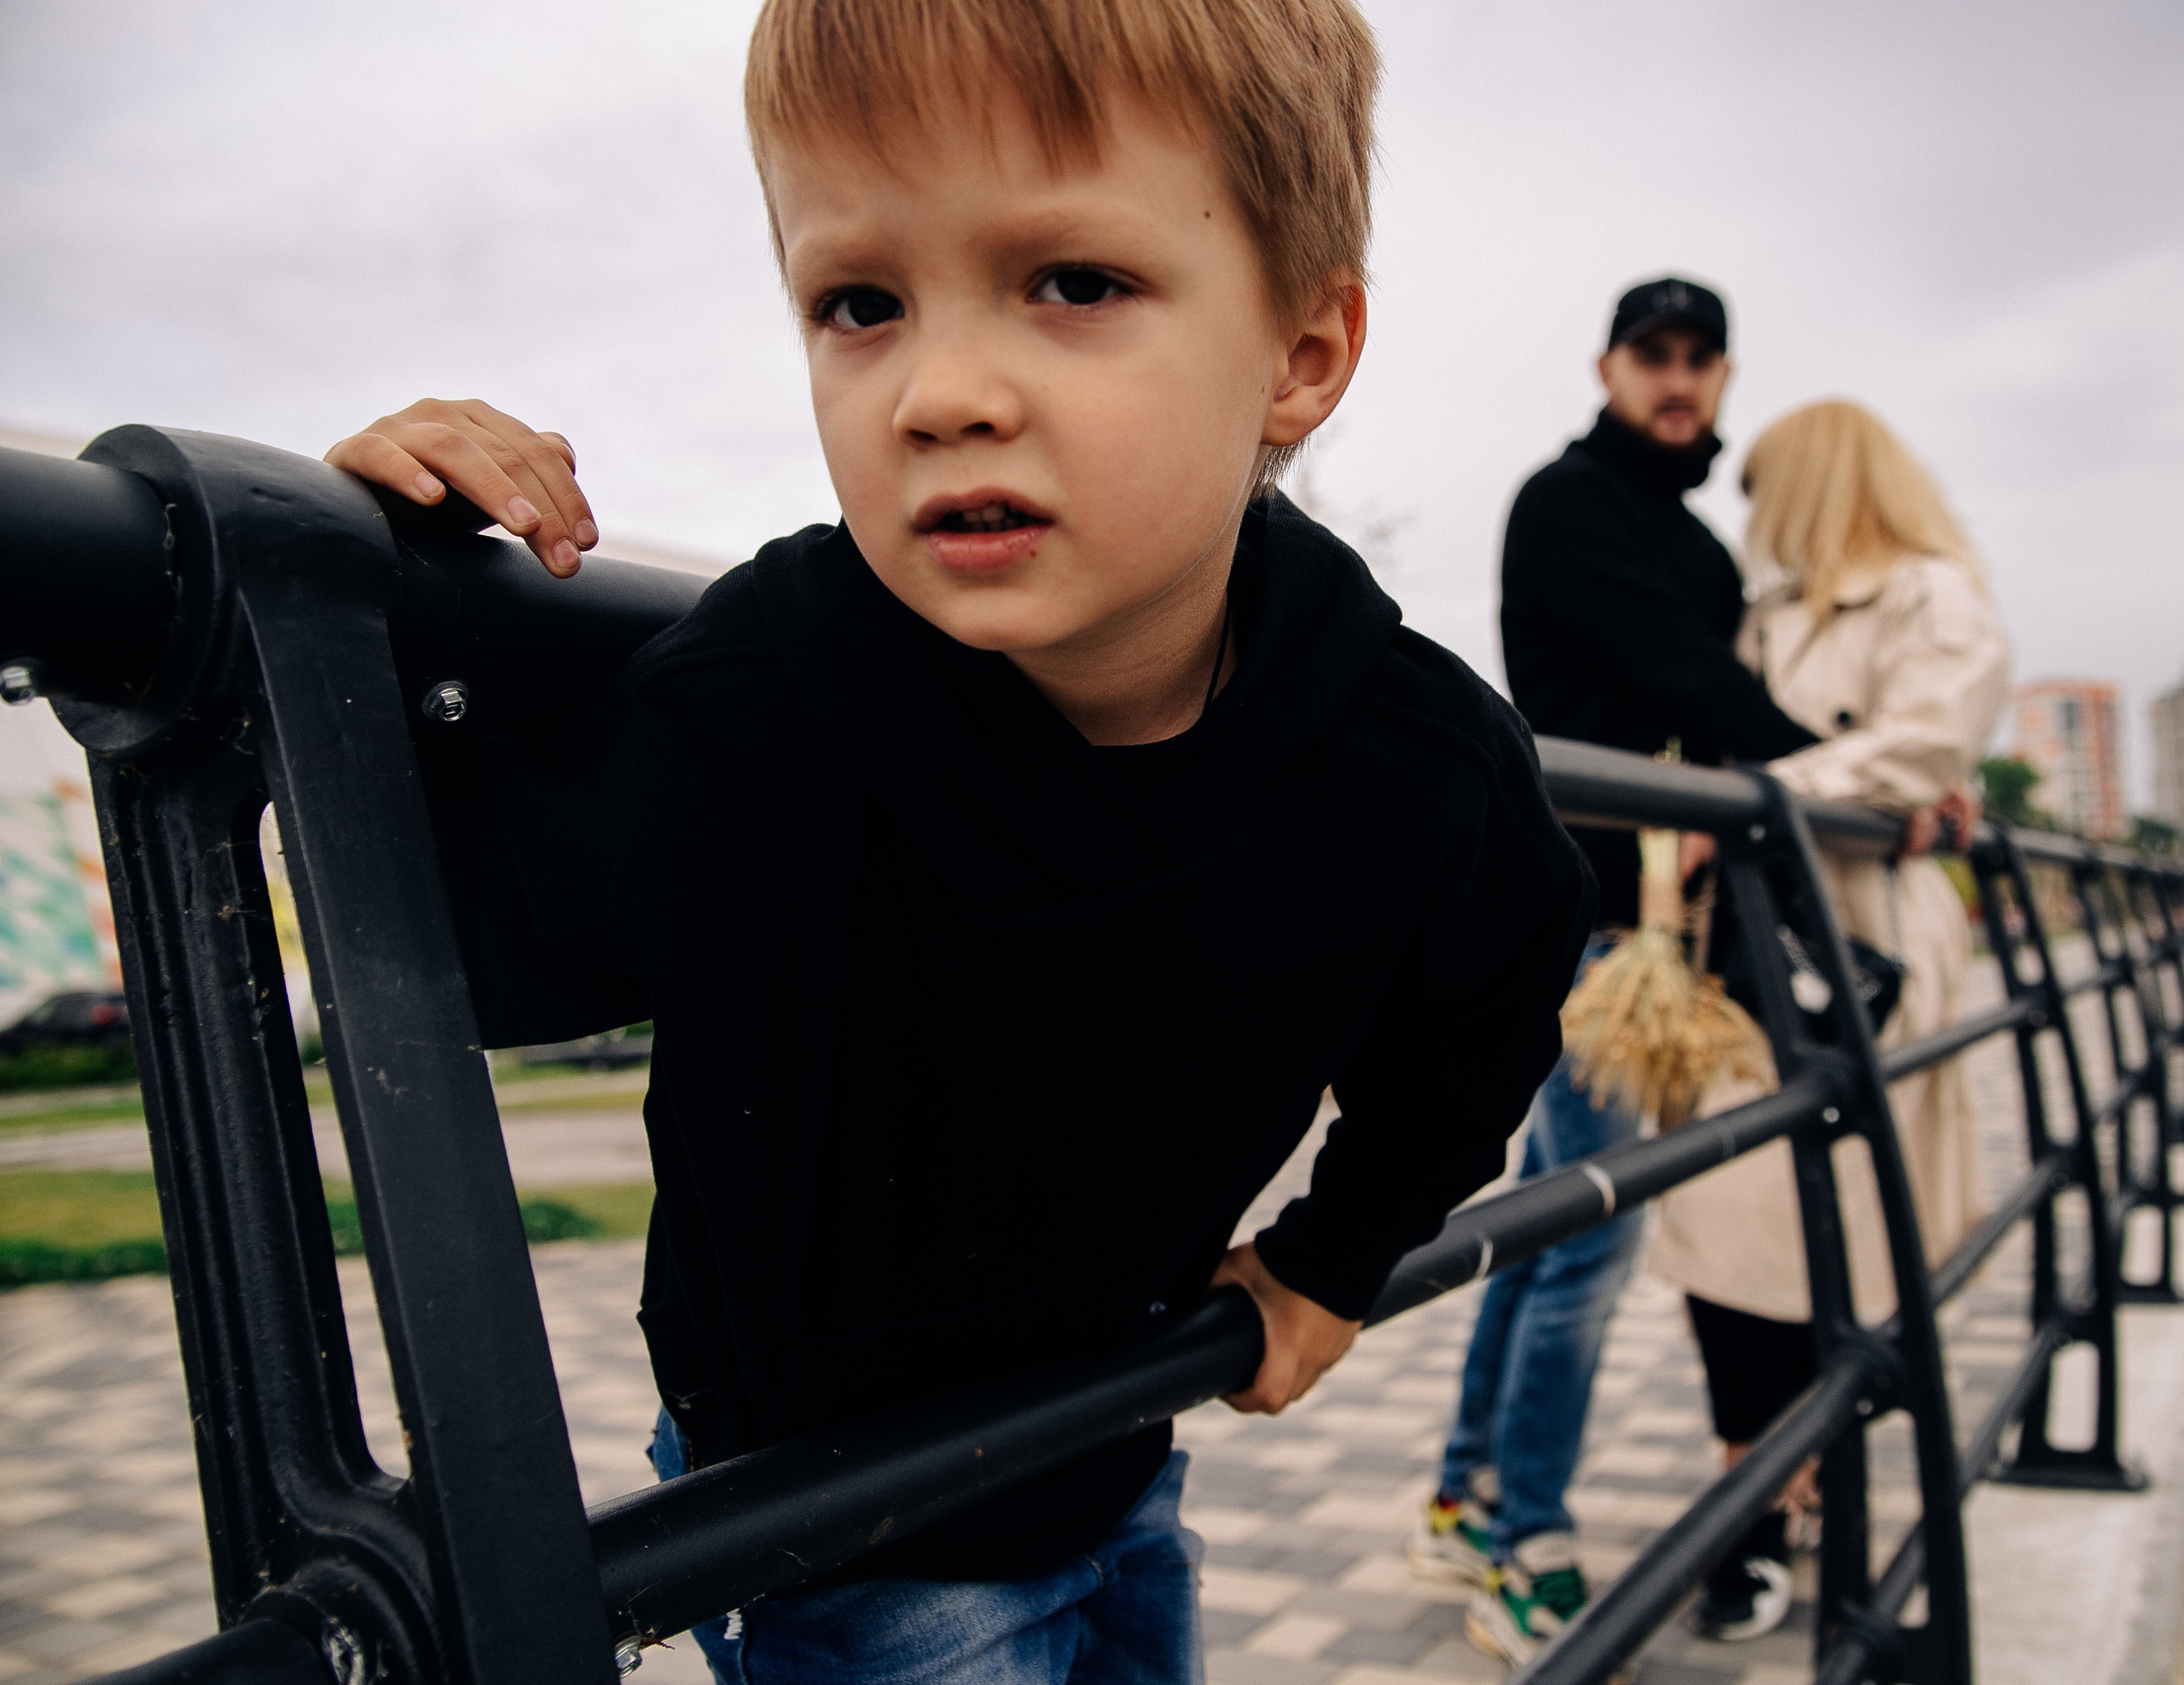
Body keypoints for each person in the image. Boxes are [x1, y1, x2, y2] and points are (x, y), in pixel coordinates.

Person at [325, 3, 1595, 1681]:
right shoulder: (762, 698)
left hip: (1114, 1438)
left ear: (1300, 351)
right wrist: (389, 613)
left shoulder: (1414, 760)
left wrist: (1329, 1260)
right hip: (831, 1511)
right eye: (861, 303)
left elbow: (1494, 990)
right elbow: (481, 949)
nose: (940, 392)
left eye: (1071, 283)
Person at [1413, 277, 1820, 1667]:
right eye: (1655, 353)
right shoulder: (1568, 501)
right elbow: (1684, 682)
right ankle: (1527, 1532)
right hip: (1587, 915)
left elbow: (1694, 689)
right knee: (1587, 1232)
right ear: (1609, 364)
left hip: (1640, 915)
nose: (1679, 377)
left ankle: (1472, 1492)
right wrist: (1825, 763)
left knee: (1551, 1224)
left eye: (1702, 357)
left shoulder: (1699, 544)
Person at [1644, 398, 2010, 1643]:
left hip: (1869, 949)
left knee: (1835, 1232)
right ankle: (1761, 1478)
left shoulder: (1930, 596)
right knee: (1725, 1219)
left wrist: (1755, 797)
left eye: (1764, 487)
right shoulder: (1768, 616)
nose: (1754, 516)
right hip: (1751, 937)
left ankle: (1790, 1492)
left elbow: (1918, 747)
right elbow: (1872, 759)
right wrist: (1788, 791)